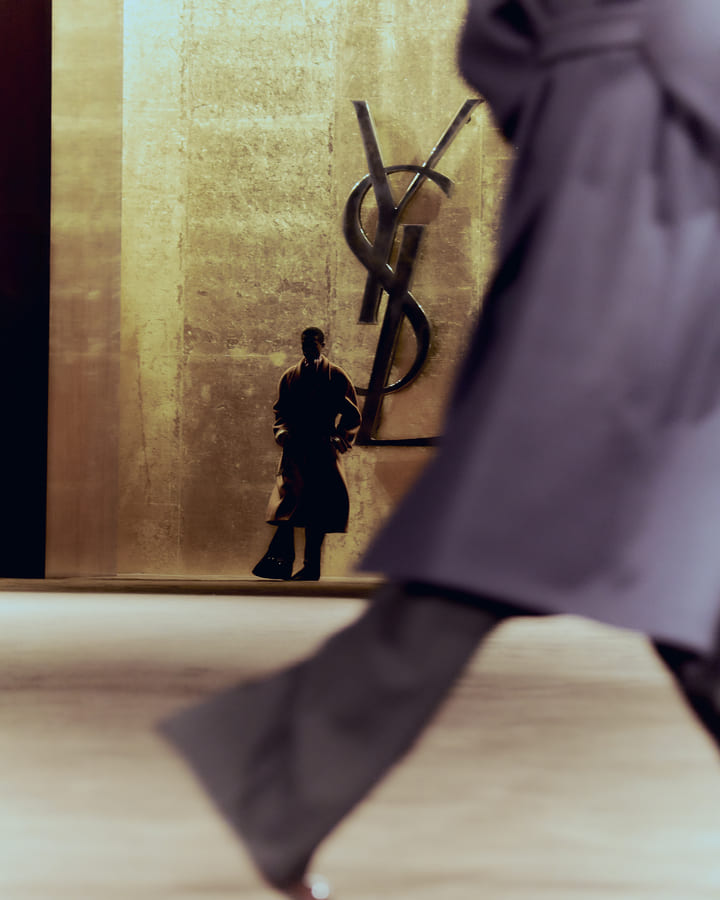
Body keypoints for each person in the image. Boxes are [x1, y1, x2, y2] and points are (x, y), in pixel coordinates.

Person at [161, 1, 720, 897]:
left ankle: (282, 781)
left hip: (613, 155)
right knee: (599, 518)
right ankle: (280, 779)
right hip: (659, 163)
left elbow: (494, 40)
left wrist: (571, 98)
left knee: (651, 526)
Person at [252, 326, 361, 582]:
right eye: (304, 344)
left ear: (323, 344)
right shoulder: (290, 376)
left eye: (312, 343)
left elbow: (352, 413)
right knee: (287, 505)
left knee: (318, 510)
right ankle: (283, 561)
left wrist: (341, 437)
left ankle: (311, 567)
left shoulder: (335, 376)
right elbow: (281, 412)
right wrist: (282, 432)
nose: (308, 348)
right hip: (295, 450)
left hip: (322, 450)